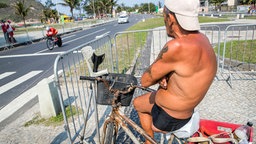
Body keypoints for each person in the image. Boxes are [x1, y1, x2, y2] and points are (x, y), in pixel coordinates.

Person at [133, 0, 217, 143]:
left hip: (168, 117)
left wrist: (161, 73)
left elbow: (145, 80)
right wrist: (166, 73)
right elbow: (186, 71)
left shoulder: (176, 46)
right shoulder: (203, 39)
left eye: (164, 16)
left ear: (170, 18)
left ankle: (149, 142)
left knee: (137, 103)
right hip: (187, 110)